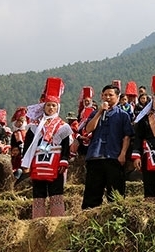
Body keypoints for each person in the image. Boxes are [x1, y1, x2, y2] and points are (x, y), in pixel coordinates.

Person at [21, 77, 73, 218]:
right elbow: (28, 143)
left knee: (56, 190)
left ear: (58, 108)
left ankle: (57, 219)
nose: (51, 108)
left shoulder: (62, 126)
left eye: (53, 106)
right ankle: (38, 219)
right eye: (48, 105)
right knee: (38, 190)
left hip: (55, 161)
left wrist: (64, 159)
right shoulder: (35, 125)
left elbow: (65, 145)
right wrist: (25, 162)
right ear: (43, 106)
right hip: (38, 160)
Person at [80, 84, 134, 210]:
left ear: (118, 97)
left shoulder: (123, 115)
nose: (107, 97)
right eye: (105, 95)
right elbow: (88, 129)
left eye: (111, 95)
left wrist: (122, 154)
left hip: (114, 156)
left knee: (115, 193)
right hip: (95, 156)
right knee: (92, 193)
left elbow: (126, 136)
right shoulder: (94, 113)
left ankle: (117, 219)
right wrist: (100, 112)